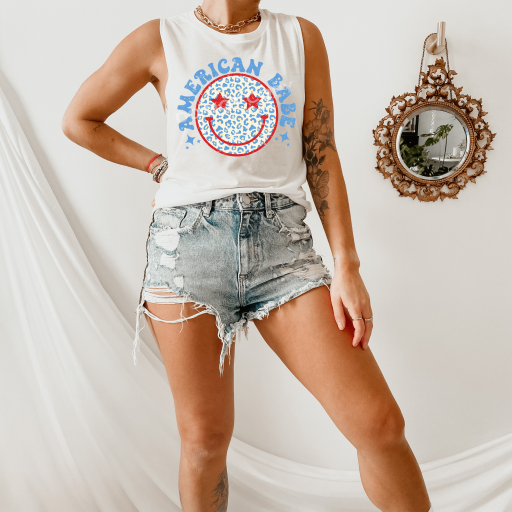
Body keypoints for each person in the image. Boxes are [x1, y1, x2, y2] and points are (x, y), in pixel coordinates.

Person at [62, 1, 433, 511]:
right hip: (186, 248)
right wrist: (157, 165)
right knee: (205, 440)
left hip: (283, 246)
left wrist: (346, 265)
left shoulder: (300, 36)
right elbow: (79, 120)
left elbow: (320, 148)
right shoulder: (158, 38)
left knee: (379, 424)